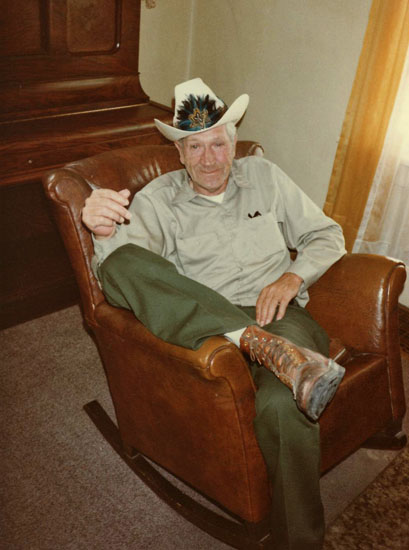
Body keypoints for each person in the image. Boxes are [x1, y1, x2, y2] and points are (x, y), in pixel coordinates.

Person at [82, 78, 347, 550]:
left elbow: (327, 234)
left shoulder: (266, 176)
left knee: (283, 404)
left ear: (234, 142)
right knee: (121, 262)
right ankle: (247, 336)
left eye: (219, 143)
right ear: (179, 153)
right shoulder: (158, 201)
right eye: (195, 146)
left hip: (281, 320)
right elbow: (125, 275)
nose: (210, 158)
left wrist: (292, 278)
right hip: (208, 333)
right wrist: (103, 233)